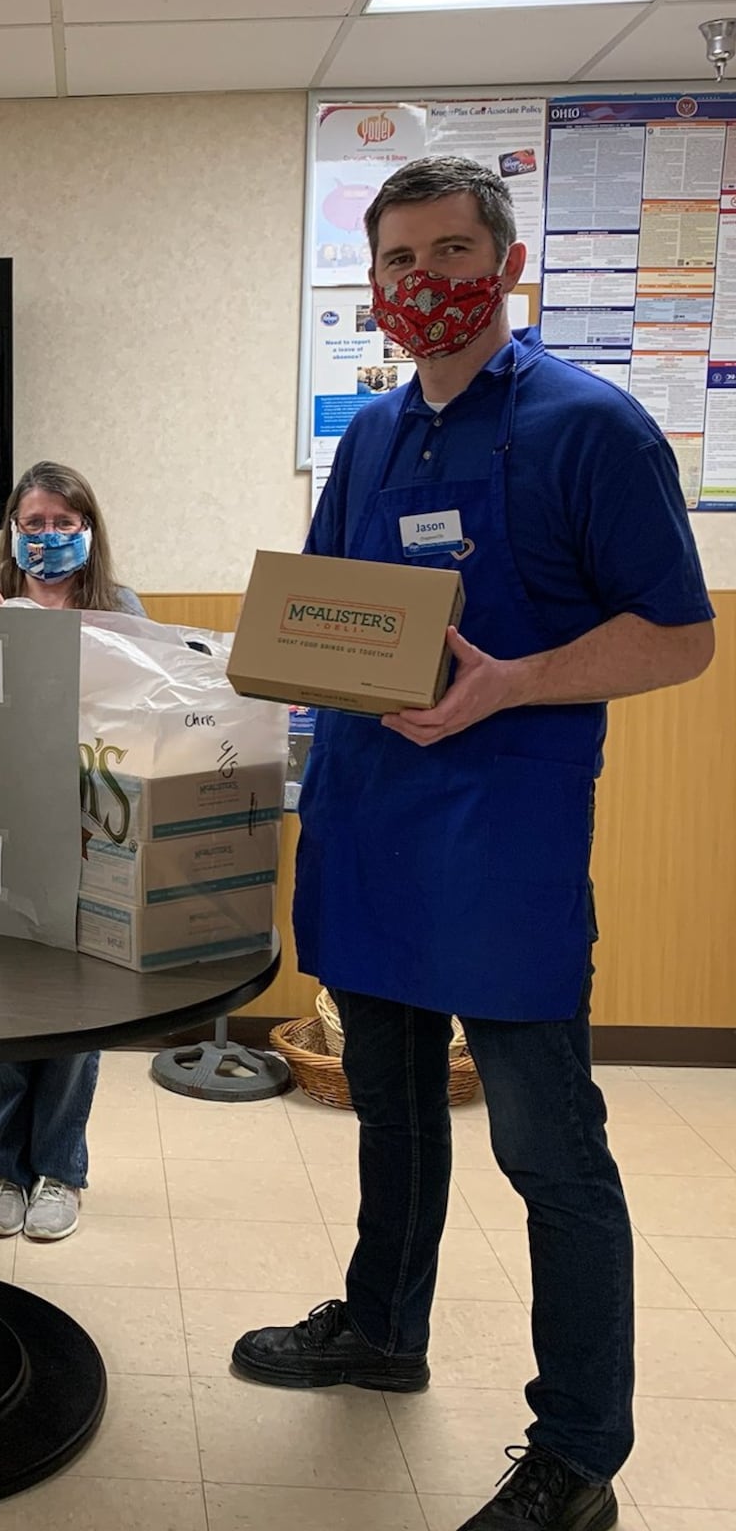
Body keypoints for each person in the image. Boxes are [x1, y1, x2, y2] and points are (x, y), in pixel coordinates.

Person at [232, 158, 715, 1531]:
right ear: (372, 284)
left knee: (550, 1154)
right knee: (390, 1108)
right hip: (374, 830)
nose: (422, 282)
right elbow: (324, 613)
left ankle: (578, 1454)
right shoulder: (376, 437)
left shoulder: (591, 429)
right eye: (396, 261)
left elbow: (680, 636)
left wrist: (511, 681)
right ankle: (385, 1328)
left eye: (451, 251)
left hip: (504, 842)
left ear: (505, 264)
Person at [0, 460, 143, 1242]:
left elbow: (146, 705)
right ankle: (5, 1166)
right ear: (12, 533)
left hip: (95, 825)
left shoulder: (121, 609)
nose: (47, 538)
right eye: (33, 524)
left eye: (63, 523)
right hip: (2, 822)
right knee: (3, 1002)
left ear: (89, 529)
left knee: (76, 1005)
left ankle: (60, 1170)